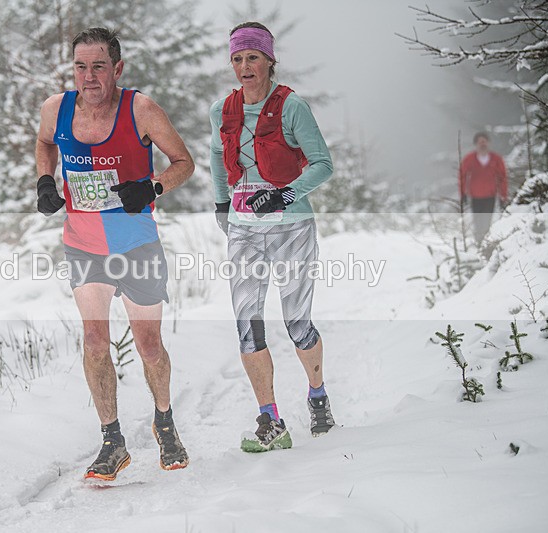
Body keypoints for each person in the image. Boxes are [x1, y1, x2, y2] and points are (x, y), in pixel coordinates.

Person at [35, 27, 194, 481]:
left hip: (136, 245)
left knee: (149, 345)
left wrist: (152, 187)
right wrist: (45, 181)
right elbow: (45, 143)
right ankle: (112, 441)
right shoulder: (56, 109)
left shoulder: (140, 109)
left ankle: (164, 421)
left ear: (117, 68)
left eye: (99, 66)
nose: (89, 76)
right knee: (94, 341)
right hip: (84, 246)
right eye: (81, 66)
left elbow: (184, 163)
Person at [210, 22, 335, 452]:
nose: (245, 66)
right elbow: (216, 157)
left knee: (297, 323)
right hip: (244, 230)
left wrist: (284, 195)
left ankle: (317, 395)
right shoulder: (221, 110)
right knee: (247, 325)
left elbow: (323, 164)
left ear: (269, 60)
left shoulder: (291, 106)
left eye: (253, 58)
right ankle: (270, 419)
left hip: (292, 227)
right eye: (237, 58)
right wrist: (222, 204)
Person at [459, 132, 508, 244]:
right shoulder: (469, 159)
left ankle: (486, 244)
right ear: (476, 144)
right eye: (480, 142)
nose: (482, 144)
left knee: (487, 221)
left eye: (484, 142)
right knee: (478, 222)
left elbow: (503, 178)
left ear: (488, 143)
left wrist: (503, 195)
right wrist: (463, 193)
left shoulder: (496, 159)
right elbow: (462, 176)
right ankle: (479, 243)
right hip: (475, 197)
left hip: (490, 196)